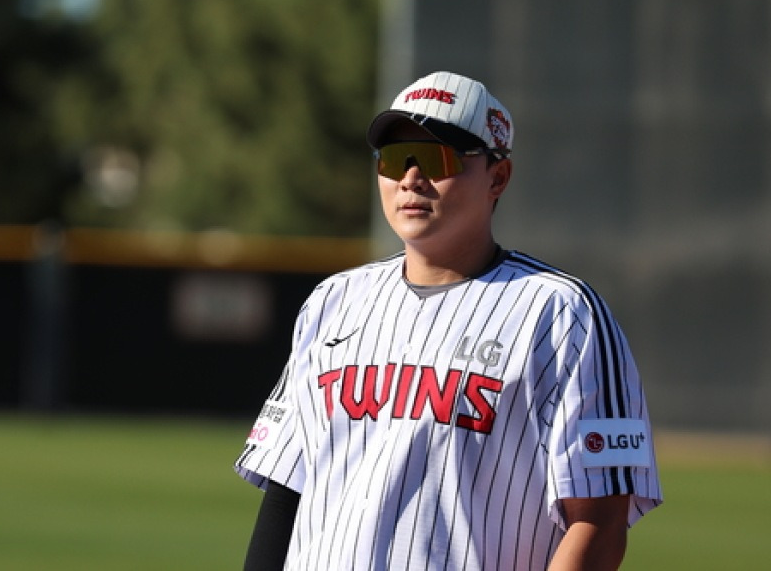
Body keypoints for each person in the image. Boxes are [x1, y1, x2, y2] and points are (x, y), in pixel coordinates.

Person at [235, 71, 662, 571]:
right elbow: (287, 492)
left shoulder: (562, 315)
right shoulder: (333, 301)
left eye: (436, 159)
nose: (410, 179)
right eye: (395, 160)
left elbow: (598, 521)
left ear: (497, 177)